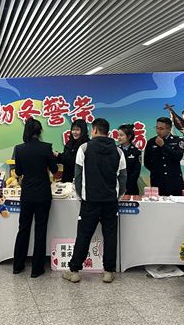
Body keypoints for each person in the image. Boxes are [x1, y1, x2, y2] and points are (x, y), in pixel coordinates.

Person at [63, 118, 126, 284]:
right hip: (110, 201)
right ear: (108, 131)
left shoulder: (84, 148)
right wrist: (117, 196)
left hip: (90, 200)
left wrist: (81, 196)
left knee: (84, 235)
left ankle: (74, 271)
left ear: (95, 130)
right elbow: (123, 177)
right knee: (110, 235)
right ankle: (108, 271)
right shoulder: (118, 151)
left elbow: (77, 176)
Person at [12, 118, 58, 278]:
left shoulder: (19, 149)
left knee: (23, 228)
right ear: (40, 132)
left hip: (27, 193)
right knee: (40, 230)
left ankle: (18, 266)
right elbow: (54, 169)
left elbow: (18, 172)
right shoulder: (46, 147)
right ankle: (37, 269)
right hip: (43, 193)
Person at [143, 117, 184, 196]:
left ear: (169, 129)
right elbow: (147, 162)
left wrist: (163, 145)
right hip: (157, 181)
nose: (158, 131)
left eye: (161, 129)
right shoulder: (151, 142)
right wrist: (157, 171)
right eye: (157, 128)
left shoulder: (177, 140)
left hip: (174, 182)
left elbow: (178, 156)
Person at [117, 124, 142, 195]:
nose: (118, 137)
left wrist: (126, 186)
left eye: (121, 135)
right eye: (118, 135)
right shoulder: (115, 150)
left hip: (131, 187)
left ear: (129, 137)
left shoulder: (136, 152)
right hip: (117, 187)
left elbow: (136, 172)